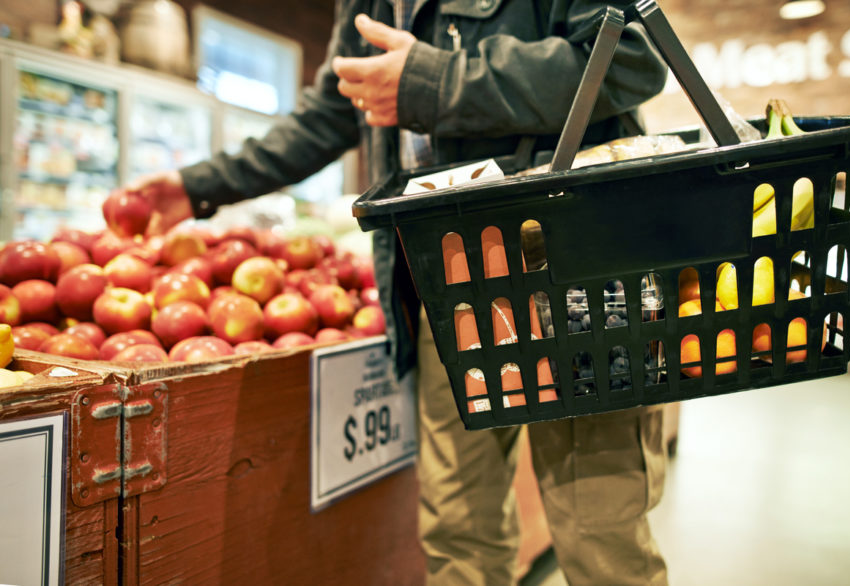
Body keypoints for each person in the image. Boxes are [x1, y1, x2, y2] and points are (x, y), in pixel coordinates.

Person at [125, 1, 669, 583]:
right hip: (451, 283)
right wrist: (197, 186)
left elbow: (632, 59)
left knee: (600, 536)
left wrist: (437, 83)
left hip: (574, 274)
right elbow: (333, 110)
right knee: (459, 533)